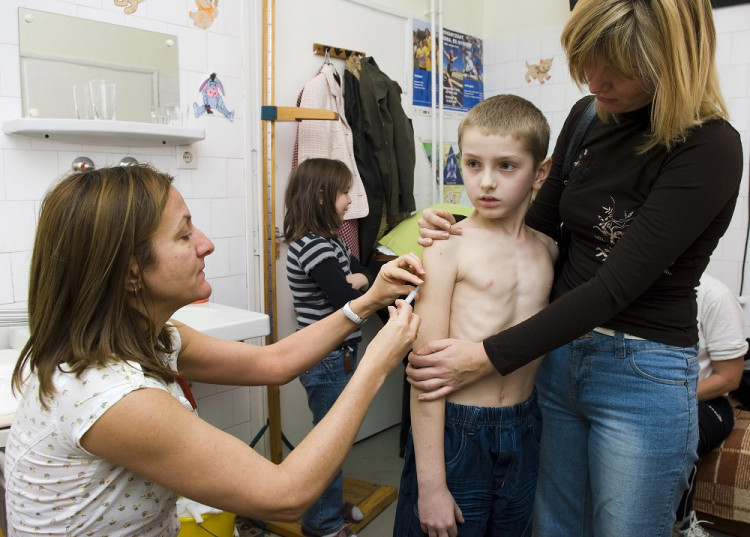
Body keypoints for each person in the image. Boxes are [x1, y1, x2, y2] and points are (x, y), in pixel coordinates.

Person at [407, 0, 744, 535]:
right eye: (587, 59)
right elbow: (532, 229)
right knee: (553, 525)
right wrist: (455, 226)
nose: (594, 79)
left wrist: (486, 356)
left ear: (673, 61)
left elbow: (615, 287)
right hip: (558, 357)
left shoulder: (710, 146)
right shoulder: (588, 115)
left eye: (618, 67)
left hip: (642, 370)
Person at [4, 164, 423, 537]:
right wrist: (377, 363)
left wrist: (367, 302)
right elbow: (285, 494)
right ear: (132, 271)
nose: (206, 244)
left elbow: (271, 362)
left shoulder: (151, 336)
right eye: (184, 235)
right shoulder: (112, 397)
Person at [393, 94, 556, 537]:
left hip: (524, 427)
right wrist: (431, 486)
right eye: (472, 164)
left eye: (506, 166)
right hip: (456, 431)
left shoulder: (550, 251)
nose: (485, 182)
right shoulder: (447, 246)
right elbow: (425, 373)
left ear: (540, 172)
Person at [283, 158, 374, 537]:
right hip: (326, 359)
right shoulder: (312, 247)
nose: (349, 200)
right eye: (343, 192)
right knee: (328, 446)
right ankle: (322, 524)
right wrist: (356, 282)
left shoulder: (331, 241)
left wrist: (358, 278)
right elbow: (344, 300)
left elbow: (367, 270)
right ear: (321, 196)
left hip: (341, 355)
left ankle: (328, 508)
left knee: (334, 442)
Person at [673, 273, 746, 537]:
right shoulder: (634, 288)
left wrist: (667, 398)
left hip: (707, 400)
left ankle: (681, 523)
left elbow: (729, 378)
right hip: (648, 398)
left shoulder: (714, 295)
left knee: (677, 432)